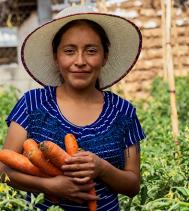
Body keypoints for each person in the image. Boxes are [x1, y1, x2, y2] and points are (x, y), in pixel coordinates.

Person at [0, 5, 145, 211]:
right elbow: (3, 172)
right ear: (56, 57)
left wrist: (102, 168)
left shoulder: (123, 113)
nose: (80, 61)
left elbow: (133, 186)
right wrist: (48, 185)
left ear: (104, 57)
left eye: (91, 51)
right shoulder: (32, 104)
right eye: (69, 51)